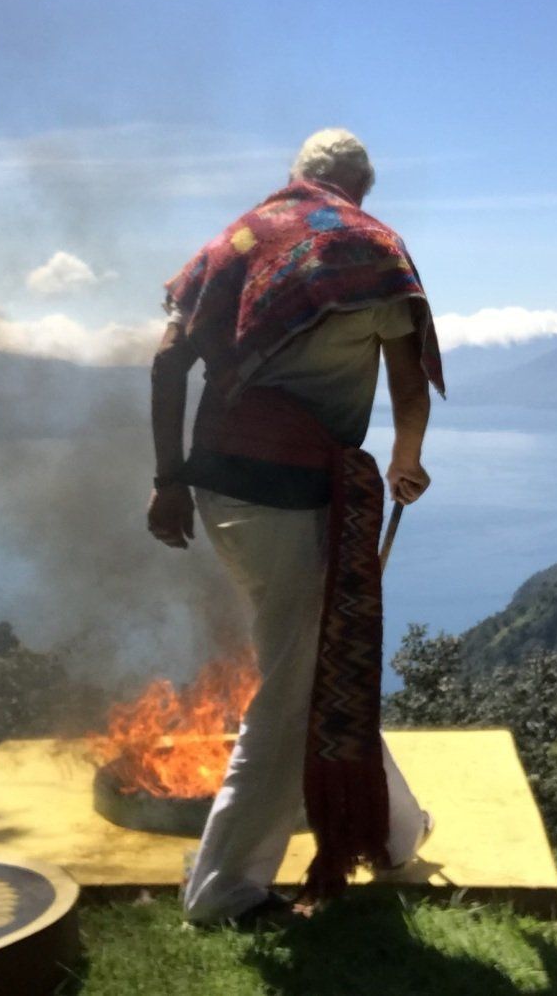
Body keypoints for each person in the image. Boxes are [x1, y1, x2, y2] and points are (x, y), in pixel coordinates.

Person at [146, 128, 445, 927]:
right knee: (291, 686)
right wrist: (406, 460)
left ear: (296, 179)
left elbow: (168, 364)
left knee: (316, 658)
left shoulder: (236, 242)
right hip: (294, 496)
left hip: (217, 492)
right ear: (360, 188)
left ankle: (393, 829)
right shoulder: (370, 252)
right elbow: (409, 390)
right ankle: (225, 890)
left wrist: (166, 481)